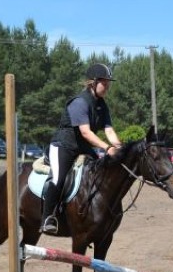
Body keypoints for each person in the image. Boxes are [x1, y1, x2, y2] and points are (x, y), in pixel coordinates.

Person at [41, 63, 122, 233]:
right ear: (93, 82)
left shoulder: (102, 105)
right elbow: (85, 132)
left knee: (100, 173)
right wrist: (107, 148)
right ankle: (48, 217)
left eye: (108, 83)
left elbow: (108, 129)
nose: (107, 86)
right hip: (63, 145)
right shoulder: (79, 102)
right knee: (59, 178)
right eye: (104, 82)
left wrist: (118, 147)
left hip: (82, 148)